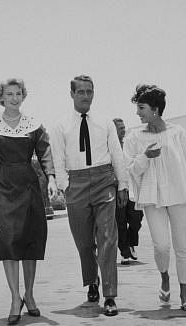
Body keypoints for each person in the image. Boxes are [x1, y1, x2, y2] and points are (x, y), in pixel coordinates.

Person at [0, 78, 57, 325]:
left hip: (29, 186)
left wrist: (51, 179)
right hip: (3, 188)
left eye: (18, 93)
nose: (14, 97)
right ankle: (14, 298)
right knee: (9, 244)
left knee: (30, 242)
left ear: (24, 96)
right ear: (1, 97)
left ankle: (29, 295)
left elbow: (45, 152)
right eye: (9, 94)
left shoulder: (34, 125)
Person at [50, 75, 128, 317]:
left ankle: (110, 295)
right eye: (81, 92)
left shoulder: (105, 122)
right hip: (77, 183)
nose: (85, 96)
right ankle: (91, 281)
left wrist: (122, 183)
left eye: (89, 91)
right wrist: (65, 185)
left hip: (104, 180)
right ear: (71, 94)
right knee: (83, 240)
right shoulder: (60, 125)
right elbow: (58, 158)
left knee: (107, 237)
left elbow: (116, 153)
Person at [124, 84, 186, 312]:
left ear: (155, 109)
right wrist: (145, 156)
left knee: (182, 247)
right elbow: (131, 169)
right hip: (151, 197)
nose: (138, 113)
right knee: (161, 246)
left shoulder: (179, 134)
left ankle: (185, 295)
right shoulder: (134, 136)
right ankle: (164, 276)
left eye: (141, 107)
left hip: (179, 196)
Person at [113, 118, 144, 265]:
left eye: (124, 127)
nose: (123, 130)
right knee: (120, 222)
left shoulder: (129, 146)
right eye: (120, 128)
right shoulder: (109, 148)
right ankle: (124, 251)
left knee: (136, 218)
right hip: (116, 189)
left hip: (132, 189)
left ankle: (131, 243)